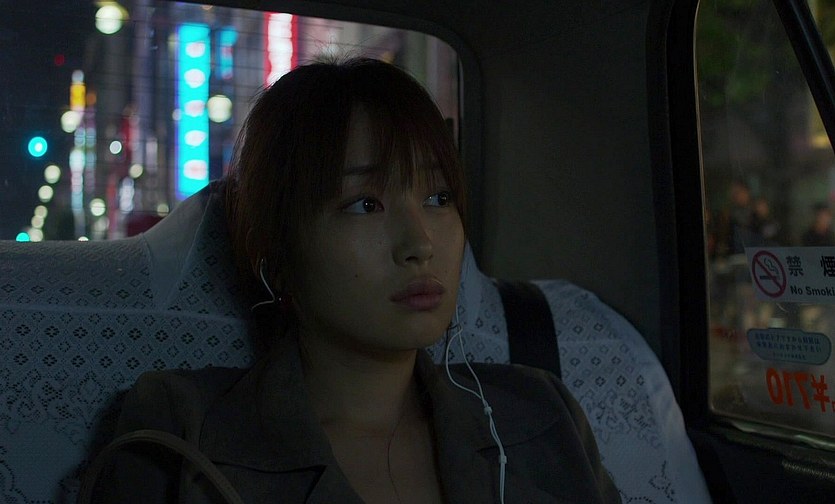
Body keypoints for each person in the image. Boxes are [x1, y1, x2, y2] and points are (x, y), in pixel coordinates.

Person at [90, 57, 619, 503]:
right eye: (365, 204)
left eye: (438, 198)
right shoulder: (186, 431)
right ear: (277, 253)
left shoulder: (541, 415)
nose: (420, 244)